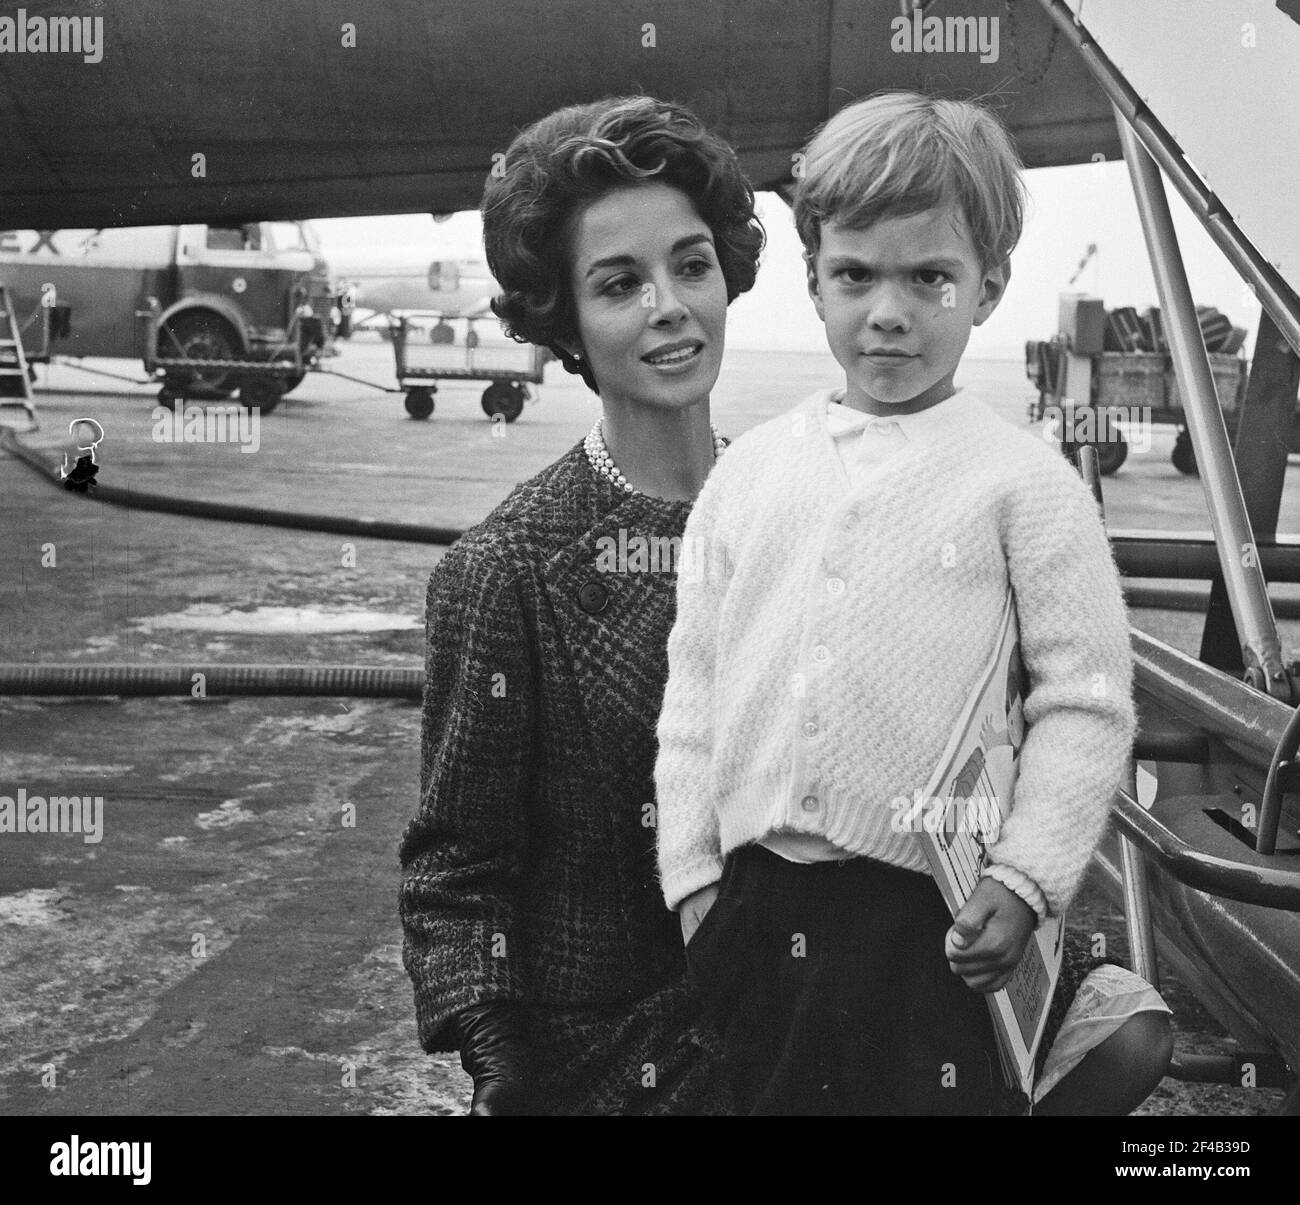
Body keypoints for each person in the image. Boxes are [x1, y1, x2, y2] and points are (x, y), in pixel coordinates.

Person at [655, 90, 1173, 1116]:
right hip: (755, 914)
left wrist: (1026, 878)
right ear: (812, 281)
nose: (887, 310)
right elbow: (695, 690)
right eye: (855, 274)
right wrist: (693, 880)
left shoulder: (1025, 486)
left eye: (928, 275)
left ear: (987, 288)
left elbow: (1085, 702)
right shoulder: (749, 473)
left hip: (931, 919)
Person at [397, 94, 764, 1115]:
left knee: (1107, 1030)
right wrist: (496, 1055)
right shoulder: (505, 570)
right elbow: (455, 869)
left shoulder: (798, 509)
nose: (669, 306)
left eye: (691, 265)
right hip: (621, 1053)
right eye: (620, 284)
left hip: (797, 998)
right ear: (564, 318)